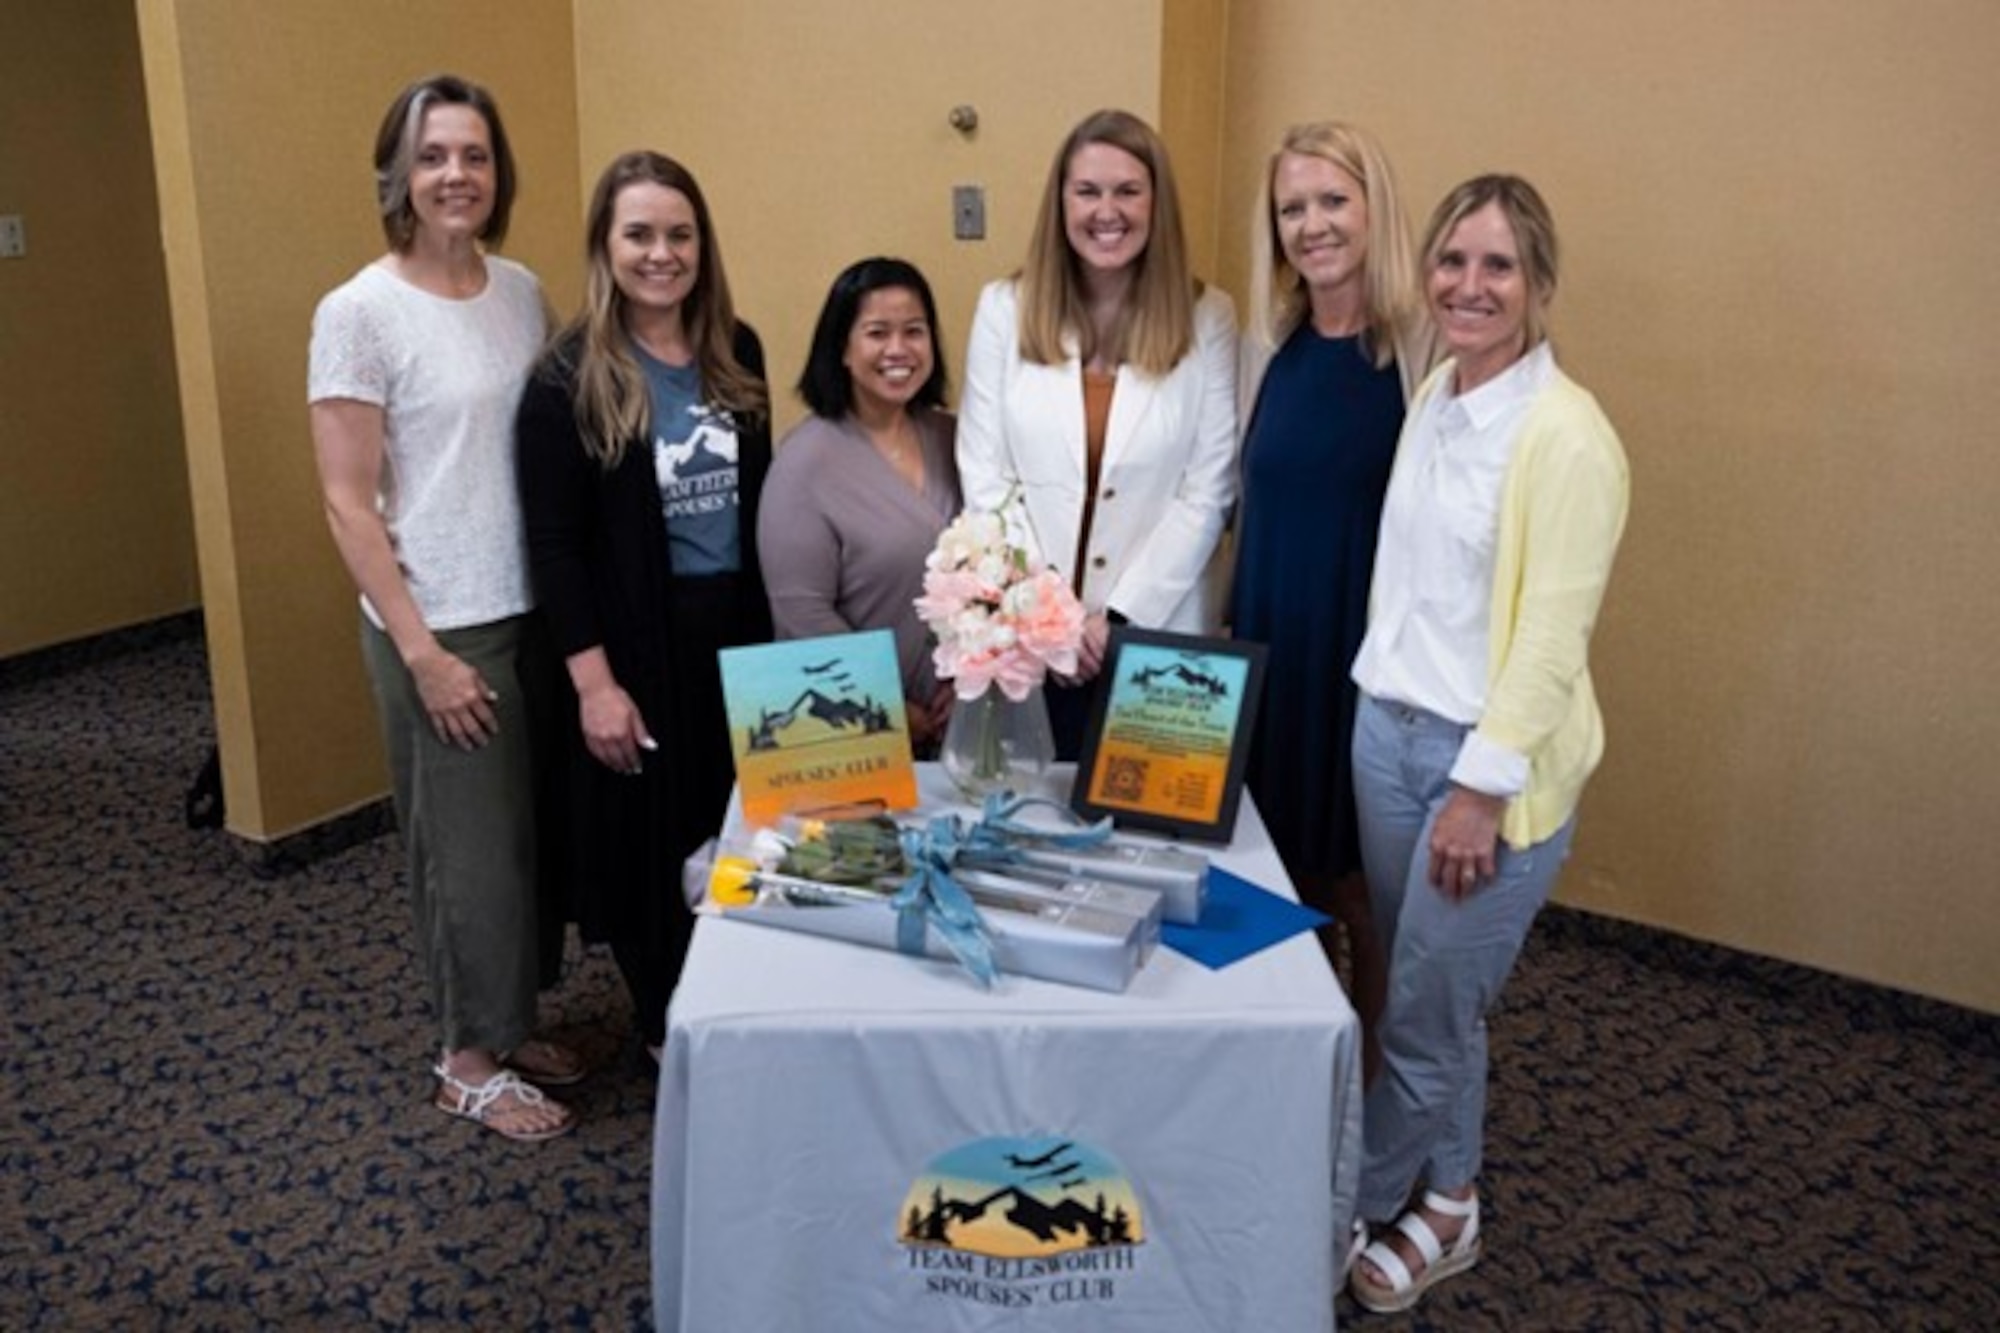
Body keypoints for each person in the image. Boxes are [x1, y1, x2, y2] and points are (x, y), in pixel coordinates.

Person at [1345, 175, 1629, 1313]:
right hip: (1387, 738)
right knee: (1429, 1001)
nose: (1469, 285)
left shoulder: (1566, 437)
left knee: (1419, 1010)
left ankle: (1340, 1201)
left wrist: (1477, 790)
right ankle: (1449, 1198)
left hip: (1481, 771)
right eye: (1452, 262)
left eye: (1498, 265)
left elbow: (1551, 639)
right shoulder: (1433, 399)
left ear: (1540, 285)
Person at [308, 74, 583, 1143]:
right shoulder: (359, 311)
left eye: (473, 155)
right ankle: (465, 1060)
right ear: (399, 176)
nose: (455, 175)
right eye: (432, 157)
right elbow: (345, 502)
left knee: (525, 843)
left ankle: (509, 1024)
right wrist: (420, 650)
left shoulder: (519, 289)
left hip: (528, 605)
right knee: (463, 853)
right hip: (440, 623)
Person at [515, 151, 772, 1063]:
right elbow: (556, 547)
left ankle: (737, 996)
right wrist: (596, 685)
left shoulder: (739, 352)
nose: (661, 253)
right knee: (647, 838)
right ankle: (667, 1020)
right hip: (632, 646)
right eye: (639, 234)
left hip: (734, 634)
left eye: (679, 234)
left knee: (735, 820)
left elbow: (760, 503)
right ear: (605, 245)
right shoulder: (566, 378)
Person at [1229, 122, 1429, 1086]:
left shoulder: (1421, 350)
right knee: (1288, 871)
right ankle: (1306, 1073)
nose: (1313, 225)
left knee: (1366, 890)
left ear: (1373, 207)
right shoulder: (1270, 345)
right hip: (1275, 640)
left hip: (1368, 657)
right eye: (1292, 208)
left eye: (1332, 201)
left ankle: (1382, 1084)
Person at [957, 108, 1237, 757]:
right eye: (1087, 191)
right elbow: (985, 477)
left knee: (1151, 837)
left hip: (1156, 634)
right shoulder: (1003, 307)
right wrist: (1052, 614)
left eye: (1127, 191)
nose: (1106, 211)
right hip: (1027, 632)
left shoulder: (1210, 317)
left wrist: (1112, 620)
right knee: (1020, 818)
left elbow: (1209, 489)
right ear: (1060, 202)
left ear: (1156, 203)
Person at [758, 257, 959, 754]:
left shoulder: (956, 439)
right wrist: (885, 704)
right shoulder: (804, 463)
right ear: (842, 349)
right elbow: (800, 614)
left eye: (914, 331)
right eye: (876, 333)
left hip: (964, 720)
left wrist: (974, 679)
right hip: (853, 731)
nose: (898, 349)